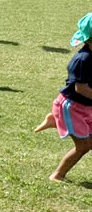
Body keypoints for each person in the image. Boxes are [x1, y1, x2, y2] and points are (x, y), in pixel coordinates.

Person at [34, 13, 92, 181]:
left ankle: (55, 120)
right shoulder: (83, 60)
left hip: (87, 107)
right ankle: (57, 175)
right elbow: (81, 89)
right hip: (72, 107)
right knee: (83, 147)